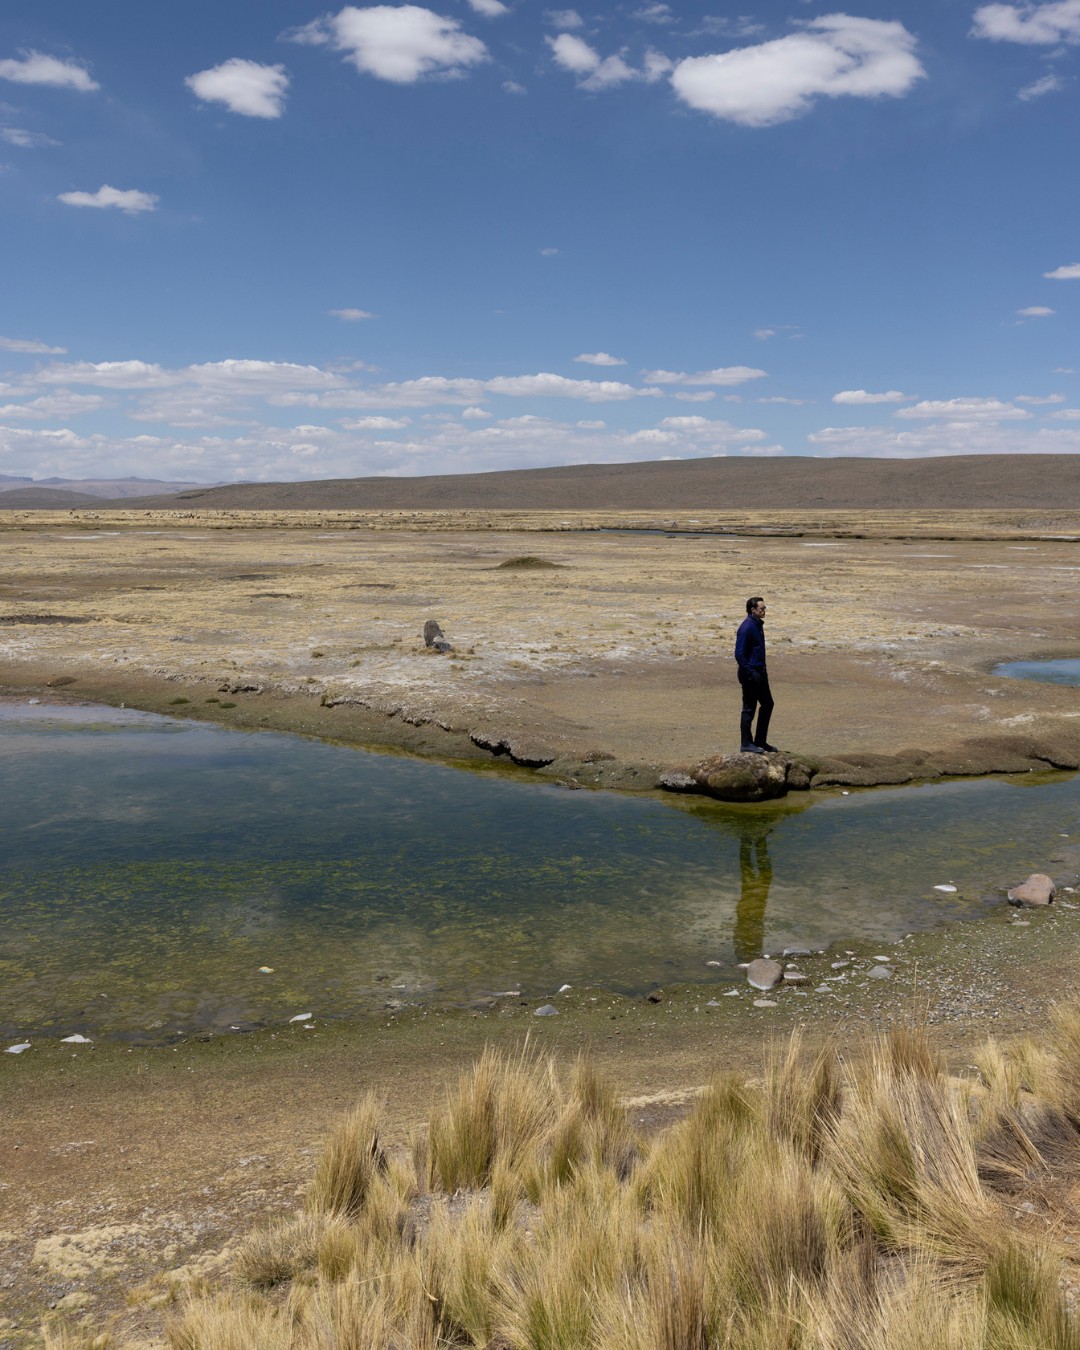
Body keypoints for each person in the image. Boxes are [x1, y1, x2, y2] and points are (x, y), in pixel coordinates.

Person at [734, 596, 777, 754]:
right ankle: (746, 743)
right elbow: (739, 654)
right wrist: (750, 672)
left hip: (760, 672)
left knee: (768, 704)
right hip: (751, 674)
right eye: (762, 609)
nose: (764, 611)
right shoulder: (747, 627)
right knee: (749, 709)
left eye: (765, 608)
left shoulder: (757, 625)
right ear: (753, 610)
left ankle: (760, 740)